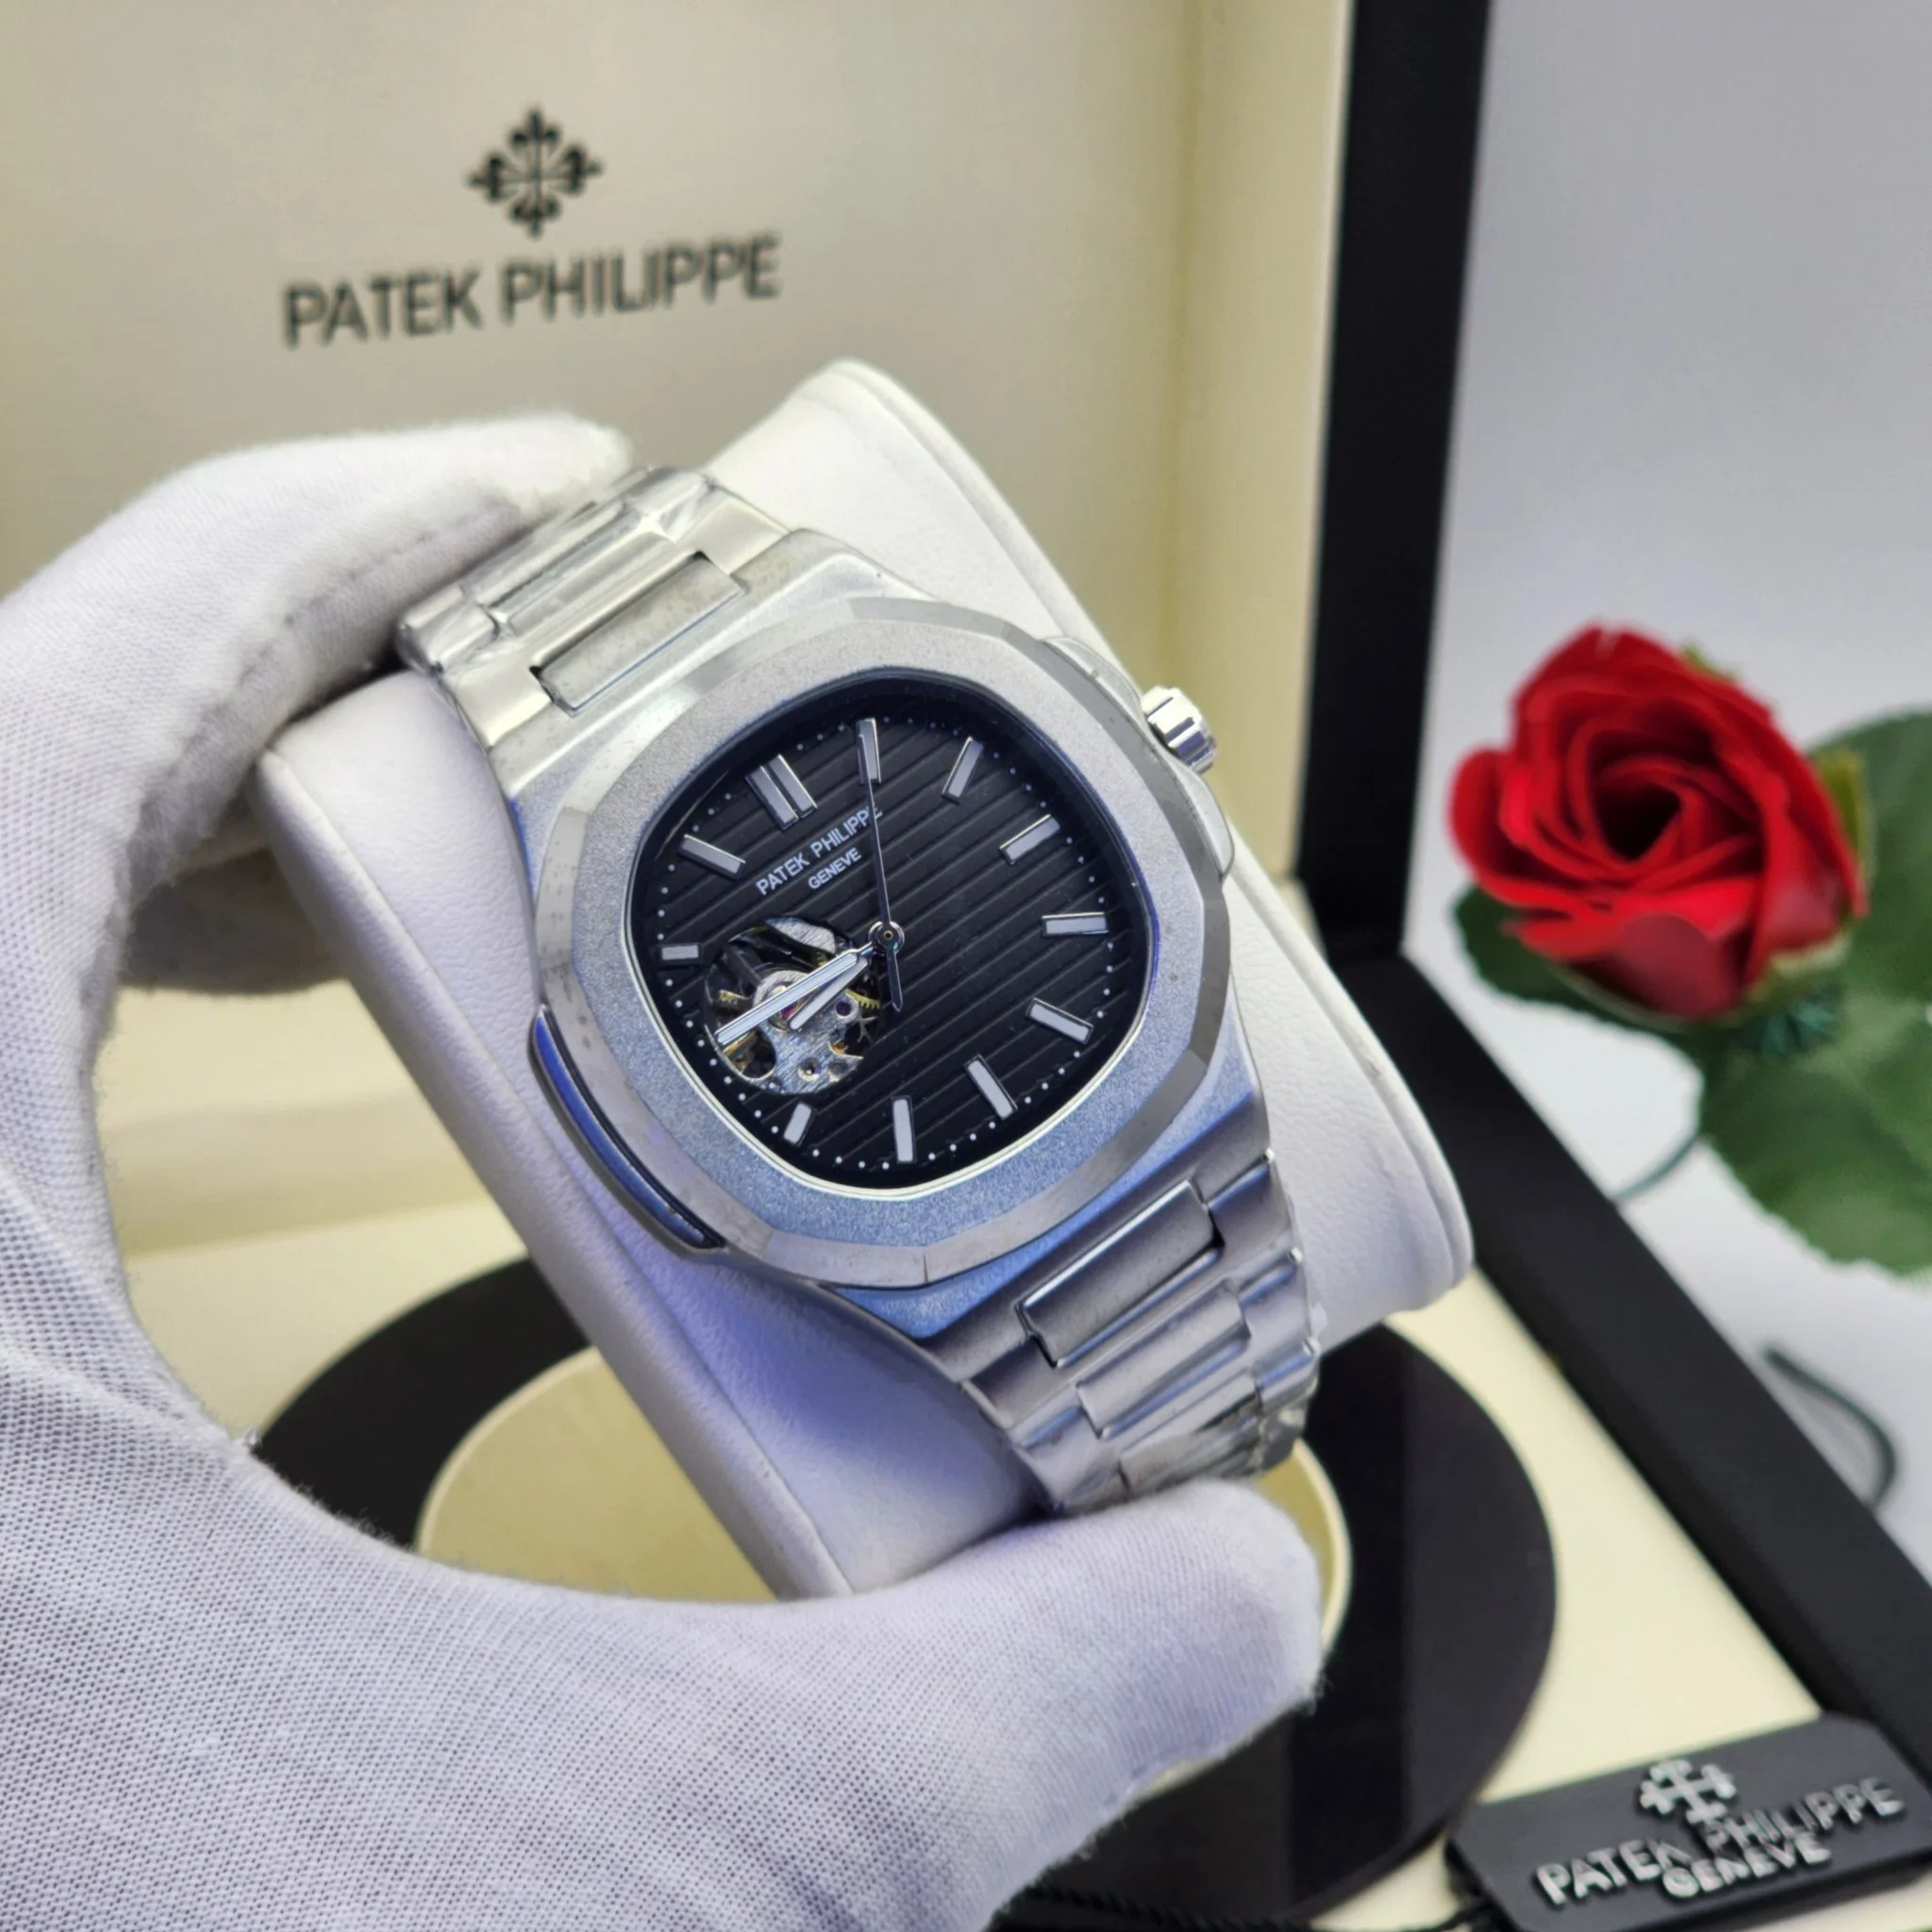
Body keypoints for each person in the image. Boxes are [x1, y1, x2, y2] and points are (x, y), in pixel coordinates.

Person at [0, 419, 1320, 1929]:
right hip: (945, 1223)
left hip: (1164, 1110)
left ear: (1155, 751)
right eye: (823, 977)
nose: (866, 949)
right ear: (631, 1142)